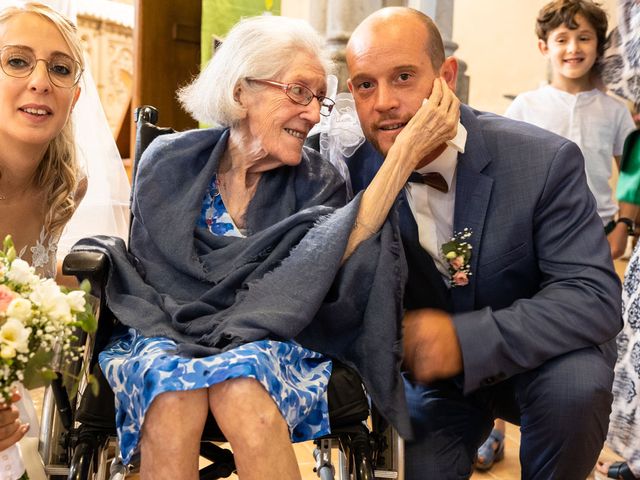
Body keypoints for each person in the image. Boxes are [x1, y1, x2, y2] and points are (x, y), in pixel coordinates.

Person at [74, 14, 459, 480]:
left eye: (320, 98)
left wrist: (401, 157)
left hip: (274, 338)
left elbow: (303, 279)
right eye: (299, 91)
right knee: (171, 392)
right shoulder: (168, 161)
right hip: (164, 329)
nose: (314, 112)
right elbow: (157, 280)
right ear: (241, 91)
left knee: (242, 384)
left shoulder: (320, 182)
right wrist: (197, 337)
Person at [345, 6, 621, 480]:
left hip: (541, 359)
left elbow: (592, 298)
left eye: (404, 77)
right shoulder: (351, 175)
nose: (383, 101)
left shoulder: (543, 161)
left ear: (446, 77)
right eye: (365, 84)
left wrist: (462, 340)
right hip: (431, 381)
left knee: (576, 388)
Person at [0, 0, 85, 451]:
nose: (40, 82)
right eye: (16, 61)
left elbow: (32, 288)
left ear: (75, 95)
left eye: (60, 68)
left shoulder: (66, 189)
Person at [504, 0, 636, 260]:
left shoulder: (615, 111)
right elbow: (505, 174)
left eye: (584, 38)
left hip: (599, 232)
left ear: (598, 46)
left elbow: (632, 174)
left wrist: (624, 226)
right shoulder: (525, 106)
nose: (573, 48)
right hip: (537, 231)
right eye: (562, 39)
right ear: (544, 47)